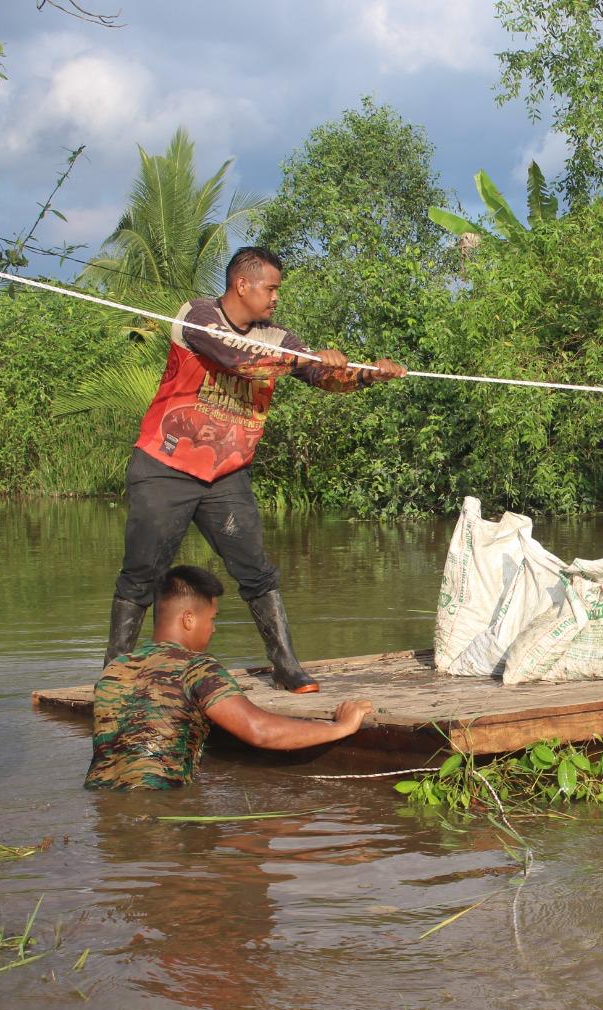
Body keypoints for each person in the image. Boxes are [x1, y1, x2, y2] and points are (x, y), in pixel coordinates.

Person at [103, 246, 406, 692]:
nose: (275, 298)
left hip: (225, 474)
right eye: (271, 288)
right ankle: (116, 674)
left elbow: (321, 378)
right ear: (242, 285)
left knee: (256, 571)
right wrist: (308, 359)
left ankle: (286, 667)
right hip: (165, 464)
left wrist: (364, 375)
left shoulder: (278, 338)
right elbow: (237, 360)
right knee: (143, 571)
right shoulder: (197, 316)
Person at [86, 565, 373, 790]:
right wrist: (340, 727)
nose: (213, 630)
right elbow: (258, 730)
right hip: (160, 813)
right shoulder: (196, 667)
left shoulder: (115, 669)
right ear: (188, 619)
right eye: (212, 619)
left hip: (104, 814)